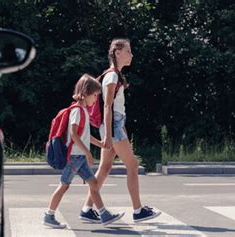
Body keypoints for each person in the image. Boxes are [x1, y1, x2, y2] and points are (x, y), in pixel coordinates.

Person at [80, 38, 161, 223]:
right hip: (112, 126)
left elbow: (114, 108)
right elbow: (107, 106)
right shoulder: (112, 76)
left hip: (115, 125)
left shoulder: (114, 75)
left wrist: (117, 129)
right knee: (132, 166)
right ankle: (138, 210)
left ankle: (86, 209)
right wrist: (109, 134)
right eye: (128, 51)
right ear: (117, 52)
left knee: (105, 167)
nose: (131, 55)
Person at [44, 74, 125, 228]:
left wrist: (101, 145)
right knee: (64, 185)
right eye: (95, 95)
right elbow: (74, 134)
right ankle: (49, 215)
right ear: (85, 93)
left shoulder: (83, 111)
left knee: (94, 183)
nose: (96, 100)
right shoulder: (77, 110)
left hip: (79, 157)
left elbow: (84, 136)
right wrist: (88, 153)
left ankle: (104, 214)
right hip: (75, 157)